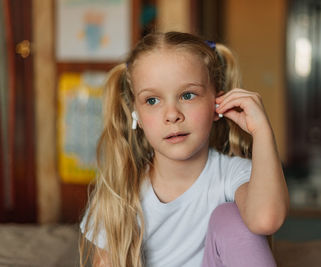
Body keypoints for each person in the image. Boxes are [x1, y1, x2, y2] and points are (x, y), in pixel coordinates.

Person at [79, 31, 289, 267]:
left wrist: (262, 132)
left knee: (230, 217)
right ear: (135, 114)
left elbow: (265, 219)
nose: (172, 115)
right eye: (152, 100)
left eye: (187, 95)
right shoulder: (119, 191)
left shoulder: (233, 174)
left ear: (216, 104)